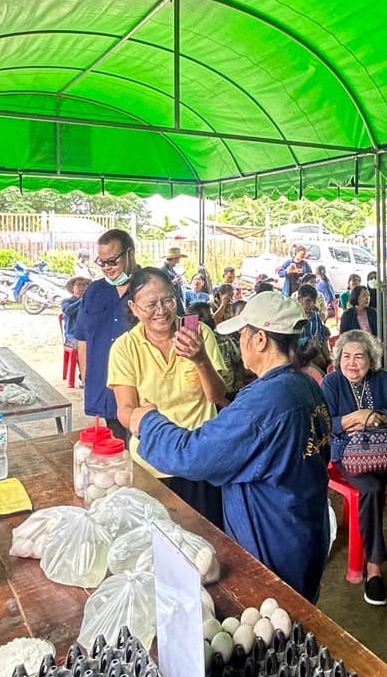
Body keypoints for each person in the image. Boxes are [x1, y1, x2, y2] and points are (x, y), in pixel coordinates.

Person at [127, 292, 331, 601]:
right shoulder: (304, 385)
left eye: (242, 334)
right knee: (300, 614)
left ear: (260, 339)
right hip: (303, 533)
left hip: (273, 546)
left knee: (276, 618)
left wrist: (147, 421)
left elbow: (191, 455)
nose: (239, 341)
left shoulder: (265, 403)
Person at [108, 268, 230, 525]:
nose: (161, 310)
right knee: (156, 541)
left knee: (207, 539)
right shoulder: (124, 347)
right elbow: (125, 409)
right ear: (134, 307)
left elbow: (217, 396)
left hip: (200, 457)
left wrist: (200, 360)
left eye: (168, 300)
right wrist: (147, 420)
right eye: (151, 304)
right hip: (151, 462)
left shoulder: (198, 334)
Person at [321, 331, 387, 606]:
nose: (352, 363)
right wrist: (349, 421)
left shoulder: (384, 380)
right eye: (346, 356)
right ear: (338, 359)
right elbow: (324, 423)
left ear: (371, 360)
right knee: (370, 490)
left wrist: (376, 418)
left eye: (359, 357)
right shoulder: (332, 383)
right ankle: (374, 567)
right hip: (350, 456)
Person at [73, 229, 139, 438]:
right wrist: (87, 378)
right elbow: (83, 339)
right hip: (105, 383)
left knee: (146, 450)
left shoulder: (151, 285)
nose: (107, 268)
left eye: (112, 261)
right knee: (117, 445)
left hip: (143, 387)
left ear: (130, 253)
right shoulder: (94, 292)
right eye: (102, 263)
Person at [295, 284, 332, 371]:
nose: (312, 304)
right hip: (302, 359)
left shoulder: (315, 316)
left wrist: (328, 357)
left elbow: (323, 340)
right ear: (299, 299)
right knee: (321, 375)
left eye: (314, 301)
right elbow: (293, 348)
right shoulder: (294, 319)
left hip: (317, 353)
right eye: (308, 301)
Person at [61, 276, 90, 354]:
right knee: (84, 346)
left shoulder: (90, 303)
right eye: (78, 285)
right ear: (72, 288)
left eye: (84, 285)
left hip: (88, 335)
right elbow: (69, 311)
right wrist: (83, 300)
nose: (81, 288)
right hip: (73, 337)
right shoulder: (66, 301)